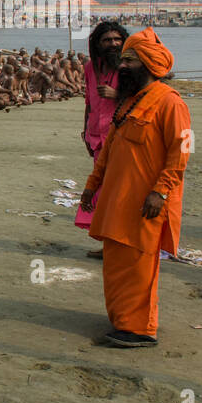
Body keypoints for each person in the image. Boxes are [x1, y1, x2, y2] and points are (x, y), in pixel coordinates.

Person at [78, 28, 190, 349]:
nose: (123, 66)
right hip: (116, 201)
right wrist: (91, 186)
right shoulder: (128, 103)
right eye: (123, 59)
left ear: (150, 65)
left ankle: (140, 329)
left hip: (146, 203)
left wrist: (161, 192)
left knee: (139, 265)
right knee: (115, 263)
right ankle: (122, 321)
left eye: (131, 60)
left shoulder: (169, 103)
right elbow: (109, 150)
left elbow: (180, 151)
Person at [78, 21, 128, 256]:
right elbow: (89, 102)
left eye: (117, 39)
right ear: (98, 44)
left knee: (120, 193)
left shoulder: (130, 66)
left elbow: (146, 98)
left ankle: (121, 243)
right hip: (97, 137)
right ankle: (109, 243)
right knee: (103, 193)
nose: (113, 44)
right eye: (107, 40)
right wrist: (85, 131)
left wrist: (116, 94)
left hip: (124, 137)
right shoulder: (90, 68)